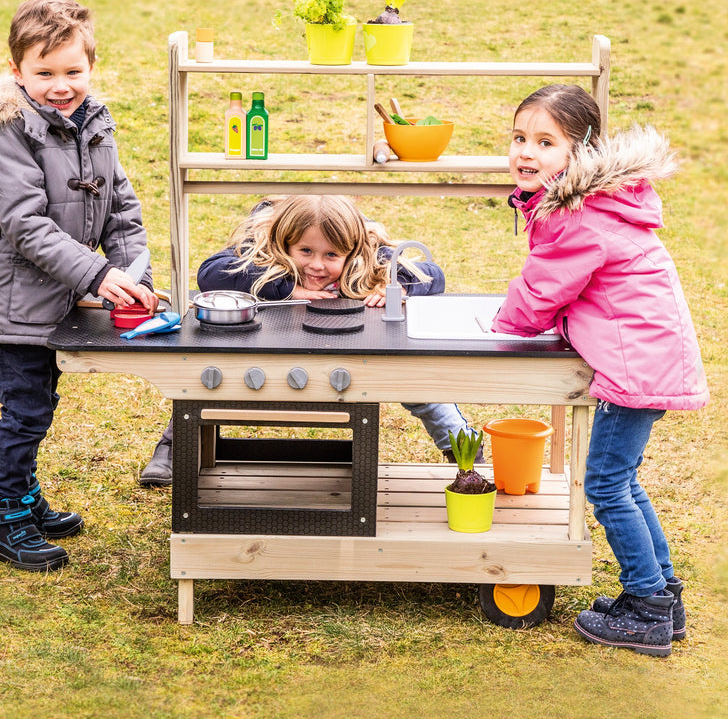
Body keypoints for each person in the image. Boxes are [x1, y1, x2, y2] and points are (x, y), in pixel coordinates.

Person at [492, 84, 708, 657]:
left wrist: (499, 323)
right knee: (624, 480)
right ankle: (662, 597)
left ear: (581, 152)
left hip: (637, 364)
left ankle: (646, 607)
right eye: (520, 139)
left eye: (545, 142)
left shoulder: (578, 217)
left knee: (608, 483)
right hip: (646, 355)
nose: (526, 153)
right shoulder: (594, 203)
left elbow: (540, 293)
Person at [0, 0, 159, 571]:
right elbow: (24, 224)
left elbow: (119, 203)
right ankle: (0, 519)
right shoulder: (7, 130)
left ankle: (23, 498)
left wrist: (132, 272)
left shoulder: (90, 121)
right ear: (17, 72)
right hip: (13, 303)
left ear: (91, 68)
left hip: (57, 296)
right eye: (44, 73)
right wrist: (98, 273)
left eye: (73, 71)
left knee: (39, 401)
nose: (60, 85)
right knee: (24, 410)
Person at [139, 194, 479, 485]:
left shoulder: (367, 253)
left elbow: (434, 276)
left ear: (350, 252)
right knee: (212, 370)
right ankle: (173, 446)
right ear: (285, 243)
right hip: (268, 340)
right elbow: (211, 272)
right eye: (305, 252)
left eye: (331, 256)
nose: (316, 265)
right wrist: (286, 287)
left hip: (350, 344)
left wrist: (399, 287)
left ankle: (461, 445)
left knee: (411, 374)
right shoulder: (263, 245)